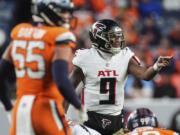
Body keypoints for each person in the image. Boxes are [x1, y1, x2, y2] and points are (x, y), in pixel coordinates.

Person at [68, 19, 172, 135]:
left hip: (116, 121)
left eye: (118, 36)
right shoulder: (85, 58)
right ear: (99, 37)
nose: (117, 40)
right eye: (113, 36)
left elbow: (145, 75)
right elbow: (68, 88)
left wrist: (156, 66)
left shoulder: (124, 56)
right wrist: (62, 115)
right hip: (90, 120)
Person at [0, 0, 87, 135]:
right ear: (48, 12)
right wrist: (77, 105)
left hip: (20, 109)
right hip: (46, 107)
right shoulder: (59, 35)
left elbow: (1, 74)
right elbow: (61, 81)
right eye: (63, 12)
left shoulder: (20, 32)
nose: (67, 16)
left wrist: (7, 106)